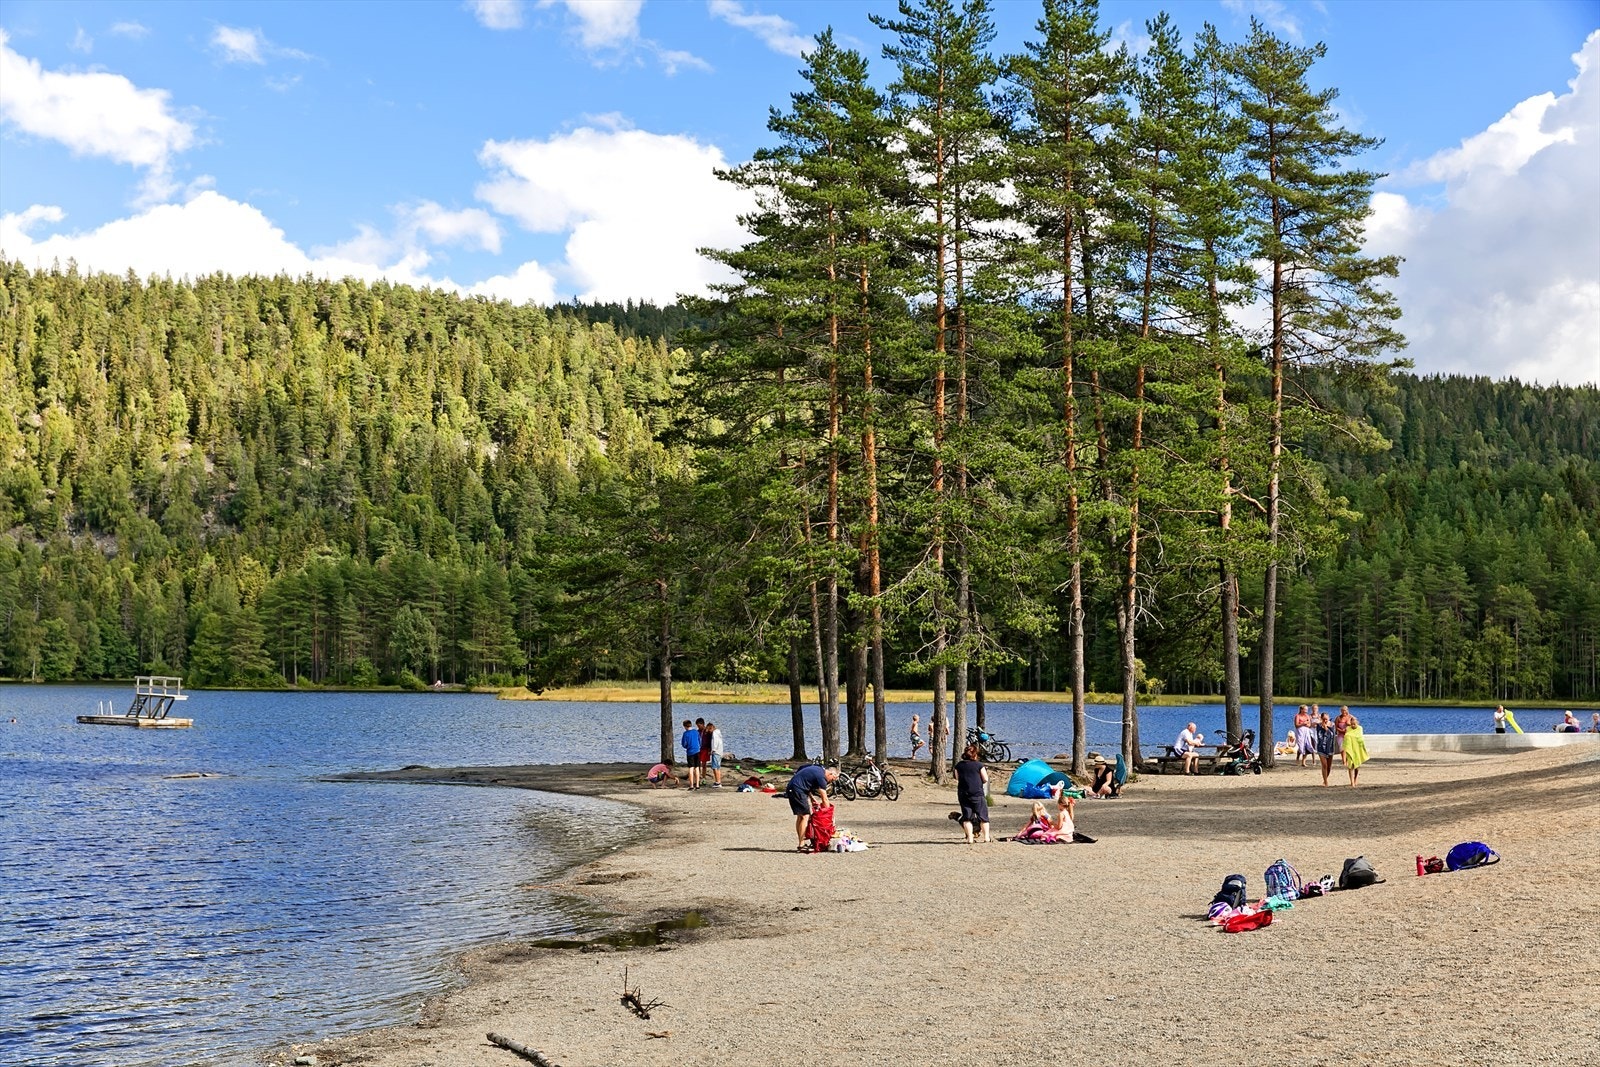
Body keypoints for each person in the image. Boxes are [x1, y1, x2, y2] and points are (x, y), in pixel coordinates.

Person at [785, 763, 838, 851]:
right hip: (797, 790)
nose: (830, 782)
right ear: (830, 774)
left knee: (801, 816)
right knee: (805, 816)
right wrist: (828, 813)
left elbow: (802, 773)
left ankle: (801, 843)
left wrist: (812, 798)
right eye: (832, 779)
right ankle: (801, 845)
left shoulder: (818, 769)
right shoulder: (822, 778)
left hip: (793, 787)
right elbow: (824, 798)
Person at [953, 743, 991, 844]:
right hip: (977, 793)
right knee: (983, 816)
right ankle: (986, 837)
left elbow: (957, 778)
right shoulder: (979, 765)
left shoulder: (959, 765)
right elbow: (985, 779)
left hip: (963, 793)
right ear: (975, 754)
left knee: (967, 817)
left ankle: (970, 838)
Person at [1342, 707, 1369, 787]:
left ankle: (1355, 778)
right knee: (1350, 766)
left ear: (1357, 723)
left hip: (1357, 749)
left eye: (1355, 724)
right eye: (1352, 724)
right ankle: (1352, 782)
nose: (1353, 725)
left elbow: (1360, 737)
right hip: (1350, 748)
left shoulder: (1360, 728)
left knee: (1357, 766)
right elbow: (1347, 736)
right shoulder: (1348, 728)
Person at [1314, 711, 1340, 787]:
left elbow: (1332, 734)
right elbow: (1319, 734)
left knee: (1329, 766)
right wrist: (1322, 725)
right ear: (1321, 719)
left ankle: (1325, 779)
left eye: (1326, 719)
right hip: (1321, 747)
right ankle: (1326, 782)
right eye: (1323, 719)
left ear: (1328, 718)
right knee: (1324, 765)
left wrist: (1327, 729)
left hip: (1330, 747)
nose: (1325, 720)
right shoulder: (1318, 725)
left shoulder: (1332, 725)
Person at [680, 719, 702, 789]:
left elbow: (684, 744)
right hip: (697, 751)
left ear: (685, 726)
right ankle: (697, 784)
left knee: (691, 768)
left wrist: (687, 746)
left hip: (690, 752)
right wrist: (698, 747)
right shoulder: (696, 732)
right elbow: (700, 741)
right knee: (697, 768)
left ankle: (691, 785)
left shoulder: (685, 733)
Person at [696, 718, 713, 782]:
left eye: (699, 725)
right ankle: (699, 776)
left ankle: (703, 777)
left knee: (704, 764)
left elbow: (710, 741)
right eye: (697, 726)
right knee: (698, 763)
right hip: (698, 749)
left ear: (703, 724)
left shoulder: (707, 732)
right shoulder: (697, 732)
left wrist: (709, 749)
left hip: (705, 749)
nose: (698, 727)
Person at [708, 722, 725, 786]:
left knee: (714, 767)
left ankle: (718, 782)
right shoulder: (718, 733)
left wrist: (712, 750)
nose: (709, 732)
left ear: (711, 728)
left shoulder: (714, 733)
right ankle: (718, 781)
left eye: (709, 730)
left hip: (716, 752)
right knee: (718, 767)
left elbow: (715, 742)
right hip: (720, 752)